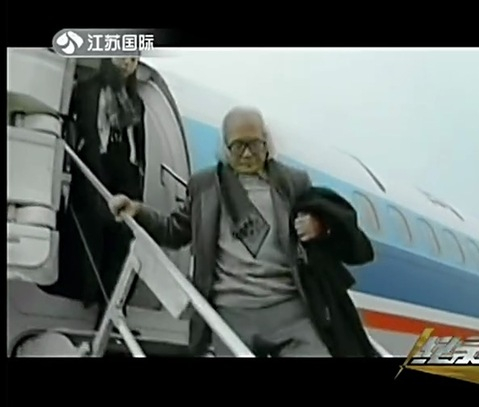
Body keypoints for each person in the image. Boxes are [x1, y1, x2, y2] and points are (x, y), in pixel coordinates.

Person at [108, 107, 375, 357]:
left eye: (254, 145)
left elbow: (338, 225)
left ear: (266, 143)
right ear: (225, 147)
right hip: (231, 311)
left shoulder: (293, 183)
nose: (247, 155)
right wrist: (138, 211)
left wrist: (320, 227)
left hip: (289, 308)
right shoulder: (205, 187)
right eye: (238, 146)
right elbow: (174, 231)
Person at [47, 57, 146, 315]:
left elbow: (138, 144)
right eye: (122, 55)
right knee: (92, 230)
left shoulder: (136, 101)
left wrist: (138, 179)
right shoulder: (87, 90)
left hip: (125, 169)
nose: (127, 63)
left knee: (121, 238)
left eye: (133, 59)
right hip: (96, 165)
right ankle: (88, 295)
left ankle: (111, 304)